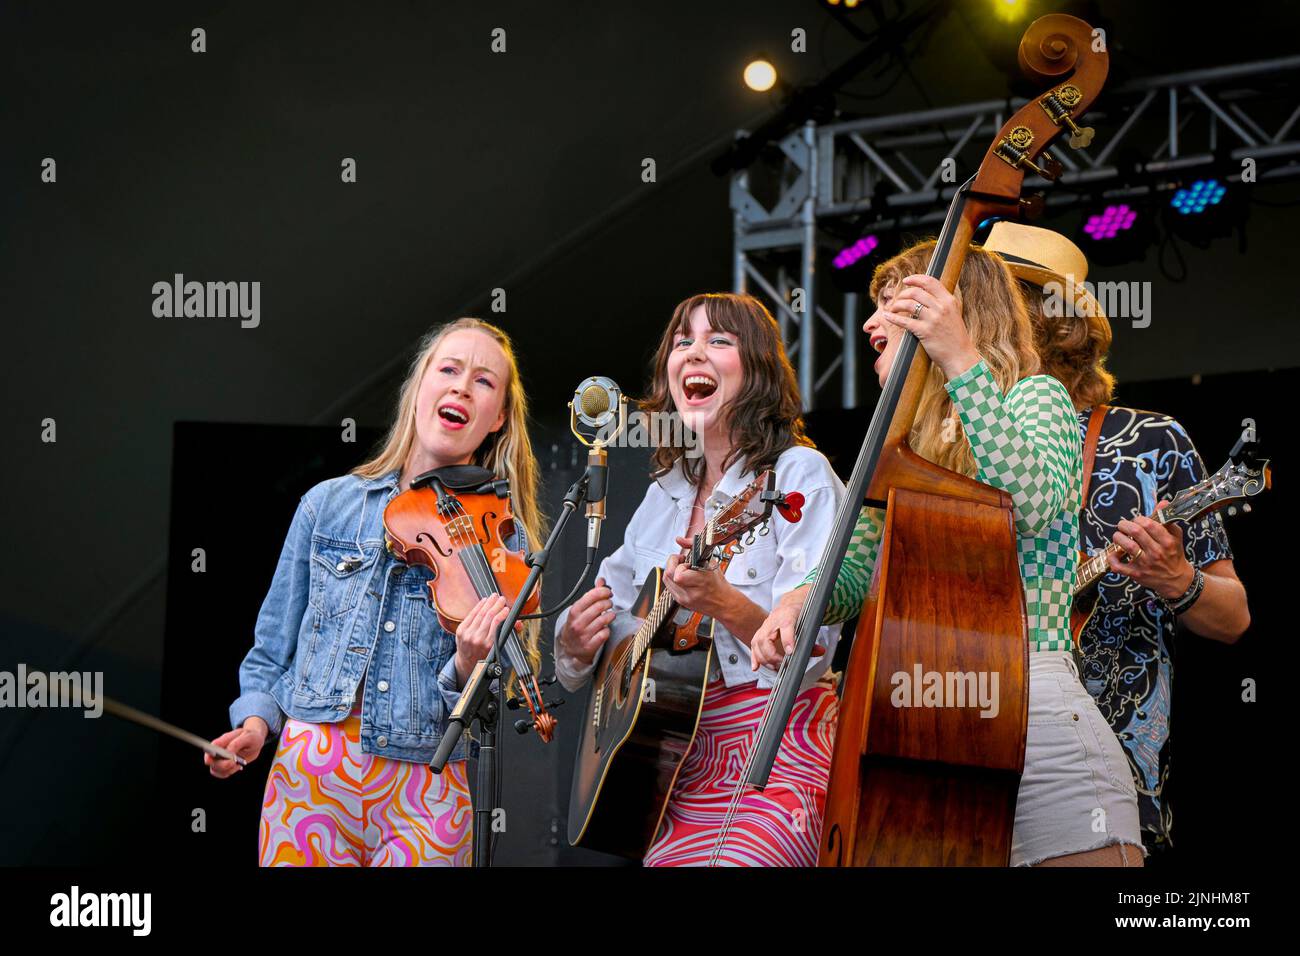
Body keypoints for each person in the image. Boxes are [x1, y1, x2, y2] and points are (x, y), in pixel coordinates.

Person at [753, 240, 1146, 867]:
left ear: (952, 313)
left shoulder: (1034, 397)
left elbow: (1030, 503)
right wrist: (802, 599)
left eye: (892, 306)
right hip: (933, 717)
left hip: (1033, 705)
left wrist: (959, 358)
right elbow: (857, 568)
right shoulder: (901, 445)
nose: (869, 324)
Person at [206, 317, 546, 867]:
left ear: (499, 417)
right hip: (311, 775)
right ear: (421, 385)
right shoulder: (327, 504)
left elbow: (492, 696)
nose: (462, 387)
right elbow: (273, 647)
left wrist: (468, 662)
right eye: (449, 369)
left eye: (484, 381)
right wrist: (255, 722)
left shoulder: (506, 541)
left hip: (428, 792)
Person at [984, 221, 1250, 855]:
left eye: (985, 296)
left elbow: (1233, 617)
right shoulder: (958, 435)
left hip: (1111, 763)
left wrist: (1176, 578)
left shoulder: (1151, 442)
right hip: (969, 742)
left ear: (1039, 321)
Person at [554, 293, 846, 866]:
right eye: (682, 341)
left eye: (719, 341)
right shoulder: (665, 493)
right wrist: (574, 642)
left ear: (757, 368)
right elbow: (605, 618)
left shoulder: (797, 476)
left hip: (779, 751)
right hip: (677, 766)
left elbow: (810, 652)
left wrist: (724, 603)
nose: (693, 353)